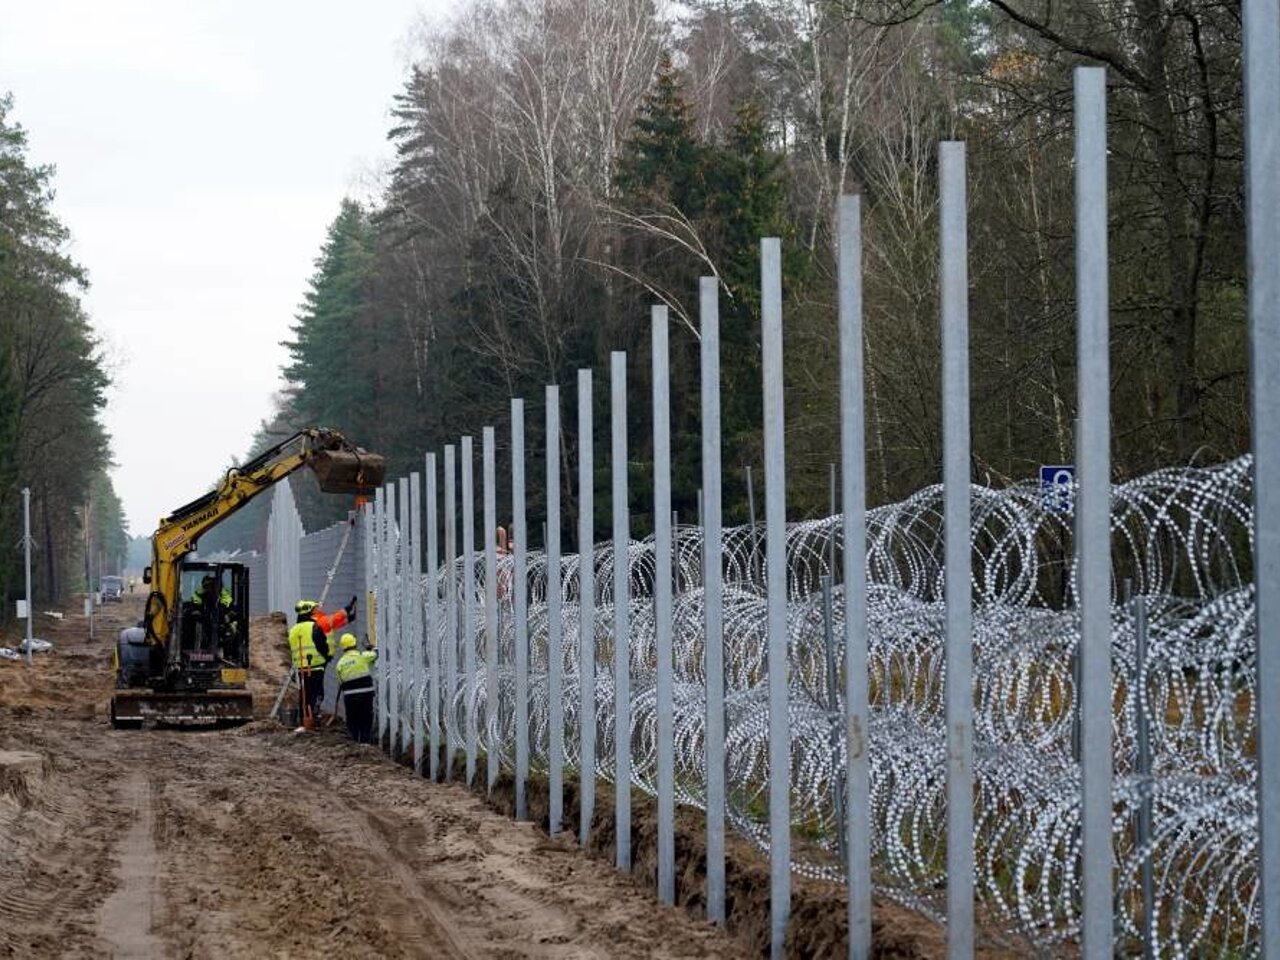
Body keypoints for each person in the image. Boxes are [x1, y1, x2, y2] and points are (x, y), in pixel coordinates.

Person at [288, 601, 333, 728]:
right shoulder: (314, 627)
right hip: (316, 665)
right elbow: (322, 645)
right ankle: (313, 717)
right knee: (317, 693)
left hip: (301, 667)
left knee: (305, 693)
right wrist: (327, 656)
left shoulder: (293, 630)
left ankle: (303, 718)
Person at [334, 633, 377, 743]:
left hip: (350, 696)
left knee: (352, 719)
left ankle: (354, 742)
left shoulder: (340, 664)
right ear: (355, 644)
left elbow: (340, 681)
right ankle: (365, 741)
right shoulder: (363, 656)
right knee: (366, 718)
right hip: (366, 694)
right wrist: (371, 648)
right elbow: (375, 654)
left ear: (343, 647)